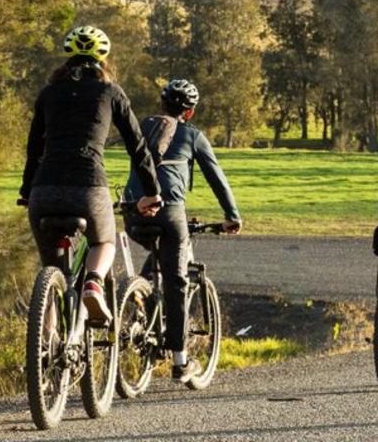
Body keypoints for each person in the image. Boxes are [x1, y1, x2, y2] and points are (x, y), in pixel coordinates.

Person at [20, 25, 161, 323]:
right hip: (88, 187)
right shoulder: (110, 92)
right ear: (103, 59)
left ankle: (47, 345)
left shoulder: (48, 94)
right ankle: (94, 283)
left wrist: (26, 191)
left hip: (43, 191)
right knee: (104, 241)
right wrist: (152, 192)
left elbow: (34, 148)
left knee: (54, 277)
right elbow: (137, 147)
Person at [124, 78, 242, 384]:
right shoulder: (192, 135)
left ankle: (142, 300)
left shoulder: (143, 128)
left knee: (154, 264)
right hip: (169, 212)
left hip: (133, 212)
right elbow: (217, 177)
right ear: (188, 113)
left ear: (162, 106)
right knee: (176, 280)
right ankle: (180, 361)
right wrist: (232, 215)